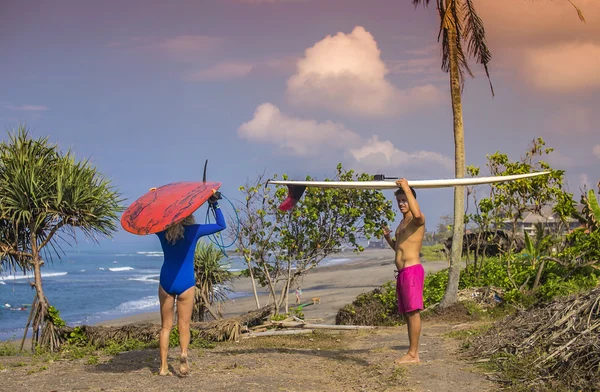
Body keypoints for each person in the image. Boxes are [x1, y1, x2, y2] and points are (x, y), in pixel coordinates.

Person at [155, 194, 226, 376]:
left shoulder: (162, 231)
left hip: (166, 280)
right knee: (184, 324)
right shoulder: (194, 230)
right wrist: (214, 203)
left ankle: (163, 367)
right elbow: (221, 225)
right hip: (186, 281)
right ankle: (184, 356)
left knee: (165, 327)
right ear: (188, 214)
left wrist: (155, 198)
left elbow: (150, 222)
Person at [382, 178, 425, 365]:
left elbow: (418, 215)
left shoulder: (417, 221)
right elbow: (399, 249)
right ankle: (411, 352)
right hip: (402, 273)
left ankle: (413, 354)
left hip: (412, 271)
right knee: (408, 313)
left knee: (413, 312)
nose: (401, 203)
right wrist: (388, 238)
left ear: (412, 200)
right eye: (399, 200)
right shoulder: (402, 223)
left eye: (404, 200)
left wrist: (407, 188)